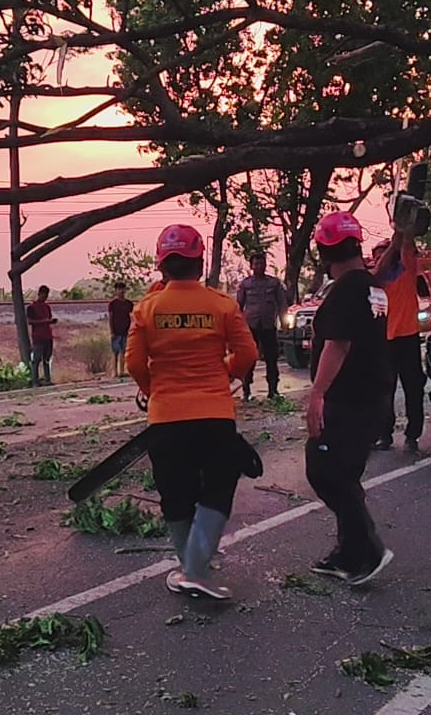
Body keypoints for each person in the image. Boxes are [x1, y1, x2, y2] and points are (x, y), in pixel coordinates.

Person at [127, 224, 258, 599]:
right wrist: (225, 374)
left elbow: (135, 363)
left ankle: (192, 568)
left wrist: (155, 391)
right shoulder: (222, 305)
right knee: (217, 489)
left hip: (166, 417)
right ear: (200, 262)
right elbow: (248, 355)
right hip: (215, 414)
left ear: (162, 266)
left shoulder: (147, 308)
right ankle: (195, 570)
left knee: (176, 493)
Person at [305, 211, 394, 586]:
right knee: (346, 473)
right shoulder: (372, 286)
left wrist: (317, 395)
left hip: (347, 398)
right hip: (373, 396)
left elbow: (338, 345)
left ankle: (369, 549)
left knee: (325, 470)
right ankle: (346, 552)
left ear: (325, 253)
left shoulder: (346, 289)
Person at [370, 228, 425, 452]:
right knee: (384, 390)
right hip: (385, 340)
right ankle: (384, 434)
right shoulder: (377, 278)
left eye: (383, 253)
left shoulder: (406, 269)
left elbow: (406, 246)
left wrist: (403, 229)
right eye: (376, 254)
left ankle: (413, 435)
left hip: (408, 336)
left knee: (413, 389)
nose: (379, 258)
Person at [236, 253, 287, 400]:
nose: (259, 266)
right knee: (250, 358)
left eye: (261, 263)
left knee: (272, 358)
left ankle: (273, 390)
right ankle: (246, 391)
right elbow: (238, 306)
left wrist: (284, 322)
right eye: (256, 263)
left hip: (268, 326)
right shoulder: (245, 284)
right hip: (250, 326)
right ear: (251, 266)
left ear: (265, 265)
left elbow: (282, 303)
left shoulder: (274, 283)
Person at [26, 285, 57, 386]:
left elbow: (49, 318)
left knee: (47, 359)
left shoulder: (47, 307)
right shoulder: (31, 307)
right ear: (39, 294)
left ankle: (47, 379)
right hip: (38, 336)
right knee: (36, 359)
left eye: (46, 295)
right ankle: (35, 380)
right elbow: (30, 321)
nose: (45, 297)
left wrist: (49, 322)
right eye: (44, 294)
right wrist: (45, 321)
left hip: (48, 336)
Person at [107, 282, 135, 378]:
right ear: (116, 291)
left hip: (126, 330)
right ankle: (114, 372)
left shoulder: (129, 304)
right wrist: (111, 331)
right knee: (115, 352)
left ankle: (122, 371)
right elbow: (110, 318)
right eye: (119, 289)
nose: (121, 291)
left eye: (122, 289)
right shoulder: (113, 304)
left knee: (124, 351)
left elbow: (132, 317)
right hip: (116, 331)